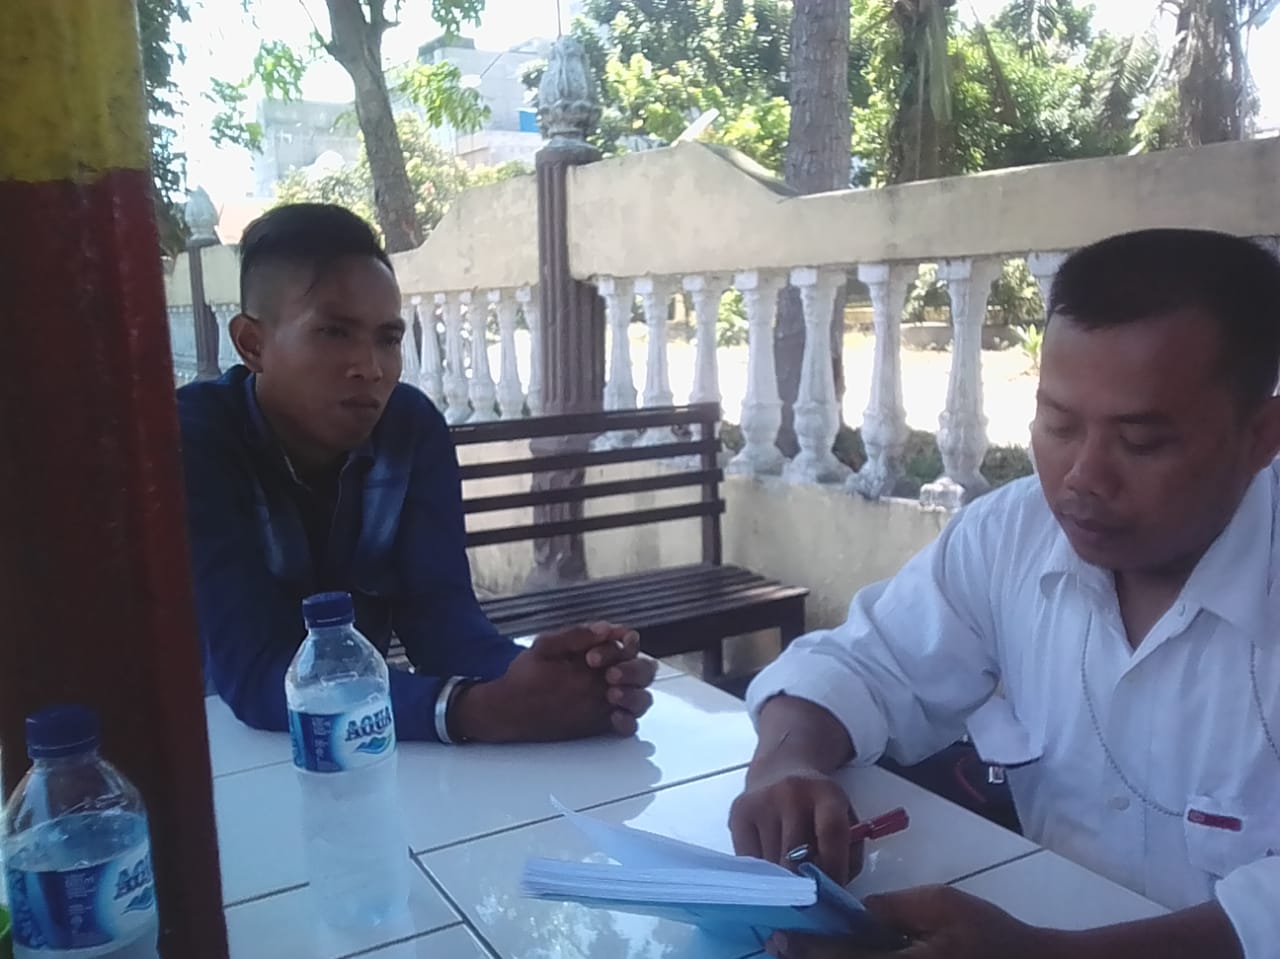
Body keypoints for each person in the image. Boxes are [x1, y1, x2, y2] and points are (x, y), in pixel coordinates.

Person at [729, 229, 1280, 959]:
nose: (1083, 477)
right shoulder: (1012, 535)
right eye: (1058, 423)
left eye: (1141, 442)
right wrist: (786, 764)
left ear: (1261, 435)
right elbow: (863, 663)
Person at [178, 203, 656, 745]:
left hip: (368, 750)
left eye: (387, 338)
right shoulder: (197, 440)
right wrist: (469, 711)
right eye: (334, 332)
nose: (370, 367)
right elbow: (253, 669)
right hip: (212, 750)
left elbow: (444, 625)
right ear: (252, 344)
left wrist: (555, 681)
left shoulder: (407, 429)